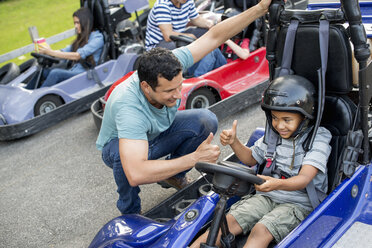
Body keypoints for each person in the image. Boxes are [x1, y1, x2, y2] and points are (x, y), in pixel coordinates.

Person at [96, 0, 273, 215]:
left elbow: (214, 36)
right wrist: (194, 158)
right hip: (121, 147)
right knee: (124, 161)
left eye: (179, 86)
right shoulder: (129, 107)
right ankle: (129, 210)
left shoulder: (171, 62)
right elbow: (136, 172)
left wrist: (260, 9)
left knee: (205, 120)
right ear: (146, 87)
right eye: (169, 91)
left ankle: (173, 175)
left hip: (154, 133)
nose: (178, 95)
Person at [191, 75, 332, 248]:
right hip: (267, 195)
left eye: (287, 120)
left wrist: (276, 184)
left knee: (261, 230)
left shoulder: (318, 138)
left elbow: (304, 179)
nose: (279, 126)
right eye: (275, 118)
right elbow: (250, 158)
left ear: (304, 117)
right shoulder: (273, 135)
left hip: (299, 203)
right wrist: (234, 142)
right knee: (226, 222)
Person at [25, 7, 104, 89]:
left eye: (77, 23)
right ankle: (26, 94)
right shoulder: (81, 39)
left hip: (85, 75)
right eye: (74, 23)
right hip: (72, 71)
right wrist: (46, 50)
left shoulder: (97, 38)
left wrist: (49, 52)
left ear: (85, 22)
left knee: (56, 73)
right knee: (42, 72)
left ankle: (38, 99)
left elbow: (77, 55)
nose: (75, 26)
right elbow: (63, 51)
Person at [185, 8, 251, 77]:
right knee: (205, 47)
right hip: (218, 65)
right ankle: (188, 73)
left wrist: (228, 41)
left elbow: (244, 55)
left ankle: (198, 76)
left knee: (213, 50)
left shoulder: (243, 41)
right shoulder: (223, 35)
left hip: (229, 70)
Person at [145, 0, 214, 50]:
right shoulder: (162, 6)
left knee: (206, 32)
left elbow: (196, 19)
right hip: (159, 45)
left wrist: (210, 24)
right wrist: (190, 36)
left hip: (178, 36)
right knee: (184, 44)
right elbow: (168, 36)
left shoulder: (187, 1)